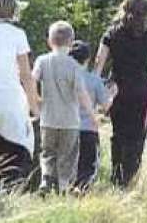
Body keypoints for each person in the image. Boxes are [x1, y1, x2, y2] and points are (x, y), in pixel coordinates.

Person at [95, 0, 147, 188]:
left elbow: (100, 61)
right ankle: (130, 179)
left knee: (118, 134)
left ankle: (116, 176)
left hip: (118, 90)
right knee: (137, 137)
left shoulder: (111, 32)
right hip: (141, 91)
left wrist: (97, 86)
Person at [32, 21, 97, 194]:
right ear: (71, 42)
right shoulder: (74, 65)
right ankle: (63, 187)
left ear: (49, 41)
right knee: (67, 157)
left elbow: (32, 80)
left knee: (47, 153)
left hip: (48, 118)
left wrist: (35, 100)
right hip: (69, 121)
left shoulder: (42, 61)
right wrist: (92, 114)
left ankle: (46, 179)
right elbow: (81, 93)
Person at [0, 0, 39, 192]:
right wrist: (35, 108)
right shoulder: (17, 35)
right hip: (10, 102)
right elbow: (26, 75)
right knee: (15, 155)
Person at [69, 40, 113, 191]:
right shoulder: (94, 80)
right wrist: (113, 94)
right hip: (88, 129)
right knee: (88, 169)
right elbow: (106, 106)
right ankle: (81, 193)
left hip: (67, 128)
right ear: (88, 59)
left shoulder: (64, 78)